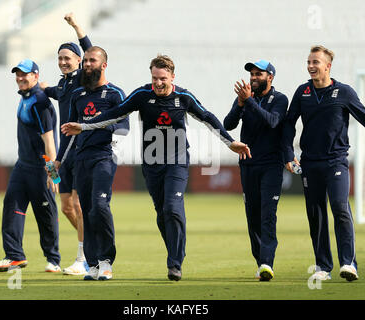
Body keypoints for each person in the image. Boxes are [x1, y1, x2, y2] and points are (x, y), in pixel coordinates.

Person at [61, 54, 251, 281]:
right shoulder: (142, 95)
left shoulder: (184, 97)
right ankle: (172, 252)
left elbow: (207, 117)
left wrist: (230, 142)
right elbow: (115, 113)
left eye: (162, 78)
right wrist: (83, 126)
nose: (158, 83)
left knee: (172, 207)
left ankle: (175, 263)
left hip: (177, 162)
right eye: (154, 78)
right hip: (151, 164)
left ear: (172, 76)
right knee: (162, 213)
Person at [282, 45, 365, 282]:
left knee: (339, 206)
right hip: (309, 163)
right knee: (316, 215)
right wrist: (287, 153)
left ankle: (348, 263)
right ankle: (323, 266)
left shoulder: (344, 92)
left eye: (316, 62)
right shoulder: (301, 92)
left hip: (336, 161)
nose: (311, 66)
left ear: (328, 66)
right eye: (309, 62)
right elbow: (288, 124)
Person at [57, 46, 129, 281]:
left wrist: (93, 126)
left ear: (104, 65)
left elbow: (123, 128)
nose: (87, 64)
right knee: (85, 212)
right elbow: (69, 132)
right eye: (85, 61)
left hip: (104, 158)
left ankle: (107, 261)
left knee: (99, 207)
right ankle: (92, 263)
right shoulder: (78, 95)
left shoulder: (115, 94)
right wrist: (59, 160)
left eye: (92, 61)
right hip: (81, 160)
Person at [0, 59, 61, 273]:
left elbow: (49, 141)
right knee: (12, 205)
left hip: (41, 169)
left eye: (25, 74)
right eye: (18, 74)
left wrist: (53, 174)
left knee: (45, 213)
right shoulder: (27, 97)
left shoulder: (39, 103)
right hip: (23, 165)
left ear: (35, 76)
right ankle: (14, 256)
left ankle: (53, 260)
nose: (20, 78)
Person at [223, 60, 288, 281]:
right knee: (253, 216)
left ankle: (267, 263)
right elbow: (228, 124)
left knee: (267, 215)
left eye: (258, 74)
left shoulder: (280, 99)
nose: (253, 77)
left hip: (271, 165)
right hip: (248, 164)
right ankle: (260, 262)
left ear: (270, 77)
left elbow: (271, 122)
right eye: (251, 73)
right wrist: (241, 103)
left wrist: (248, 101)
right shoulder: (246, 98)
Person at [40, 13, 92, 275]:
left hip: (78, 151)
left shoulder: (84, 77)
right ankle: (92, 241)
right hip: (62, 155)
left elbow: (90, 50)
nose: (62, 62)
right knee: (67, 206)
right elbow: (53, 92)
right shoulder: (62, 85)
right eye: (59, 58)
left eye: (67, 58)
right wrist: (41, 86)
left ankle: (83, 258)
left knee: (79, 205)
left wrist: (76, 28)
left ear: (78, 61)